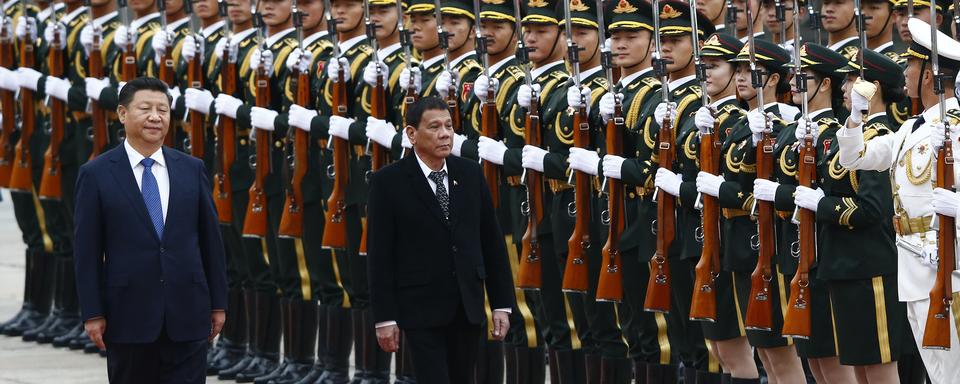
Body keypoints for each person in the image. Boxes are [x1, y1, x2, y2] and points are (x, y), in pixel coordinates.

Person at [73, 76, 228, 384]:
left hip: (187, 312)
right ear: (121, 114)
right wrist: (92, 312)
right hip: (128, 317)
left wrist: (218, 303)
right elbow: (87, 252)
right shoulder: (96, 174)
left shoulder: (191, 168)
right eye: (145, 108)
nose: (156, 117)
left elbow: (211, 243)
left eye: (163, 109)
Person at [367, 96, 515, 384]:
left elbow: (492, 244)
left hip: (467, 306)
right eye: (434, 127)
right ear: (411, 134)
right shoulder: (388, 183)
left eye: (449, 126)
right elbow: (379, 256)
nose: (445, 134)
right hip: (420, 308)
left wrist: (502, 304)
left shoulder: (471, 173)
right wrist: (384, 318)